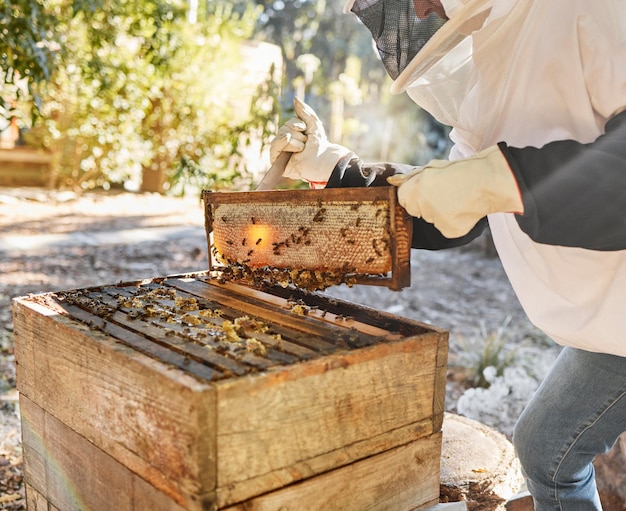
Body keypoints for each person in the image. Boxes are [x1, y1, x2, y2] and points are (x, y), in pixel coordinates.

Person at [269, 0, 626, 509]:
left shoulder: (595, 9)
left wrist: (503, 179)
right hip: (612, 325)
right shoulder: (490, 58)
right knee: (547, 446)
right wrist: (333, 168)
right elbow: (443, 209)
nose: (413, 7)